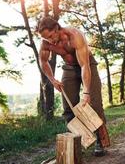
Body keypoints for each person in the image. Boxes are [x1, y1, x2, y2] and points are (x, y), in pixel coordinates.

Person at [36, 16, 110, 156]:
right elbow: (43, 61)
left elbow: (84, 66)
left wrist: (87, 92)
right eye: (46, 39)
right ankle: (77, 143)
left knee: (94, 104)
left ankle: (101, 141)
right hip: (69, 68)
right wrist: (52, 79)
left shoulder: (74, 35)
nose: (50, 41)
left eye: (51, 36)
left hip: (87, 65)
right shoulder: (45, 42)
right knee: (68, 109)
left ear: (56, 28)